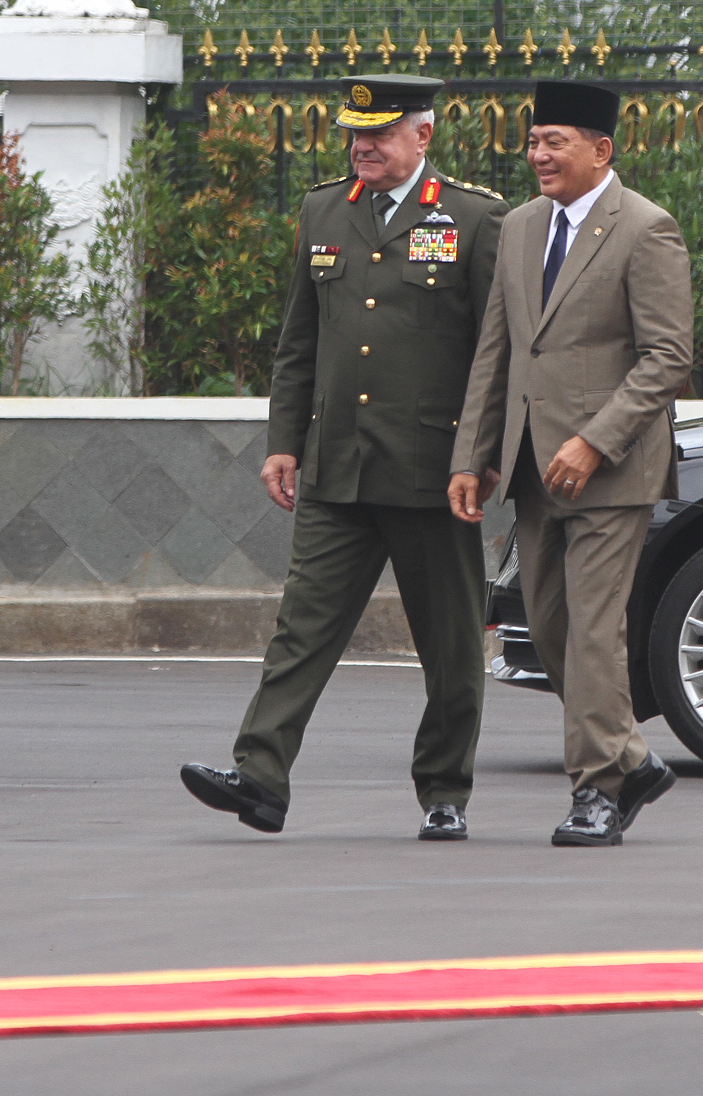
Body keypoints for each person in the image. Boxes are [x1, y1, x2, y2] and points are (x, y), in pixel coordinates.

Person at [180, 75, 510, 841]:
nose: (362, 147)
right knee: (301, 628)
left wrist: (482, 451)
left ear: (421, 137)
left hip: (434, 471)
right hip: (337, 465)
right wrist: (285, 440)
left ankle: (443, 791)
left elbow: (496, 354)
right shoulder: (324, 208)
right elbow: (301, 339)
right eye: (355, 135)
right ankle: (259, 776)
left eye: (380, 134)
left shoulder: (474, 218)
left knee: (451, 644)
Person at [448, 81, 692, 846]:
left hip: (611, 469)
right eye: (532, 142)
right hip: (530, 468)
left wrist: (595, 439)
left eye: (554, 142)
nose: (538, 156)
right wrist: (474, 455)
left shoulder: (645, 229)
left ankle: (597, 789)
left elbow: (666, 358)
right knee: (549, 633)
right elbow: (498, 349)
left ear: (600, 150)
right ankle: (632, 756)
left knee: (591, 632)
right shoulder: (519, 226)